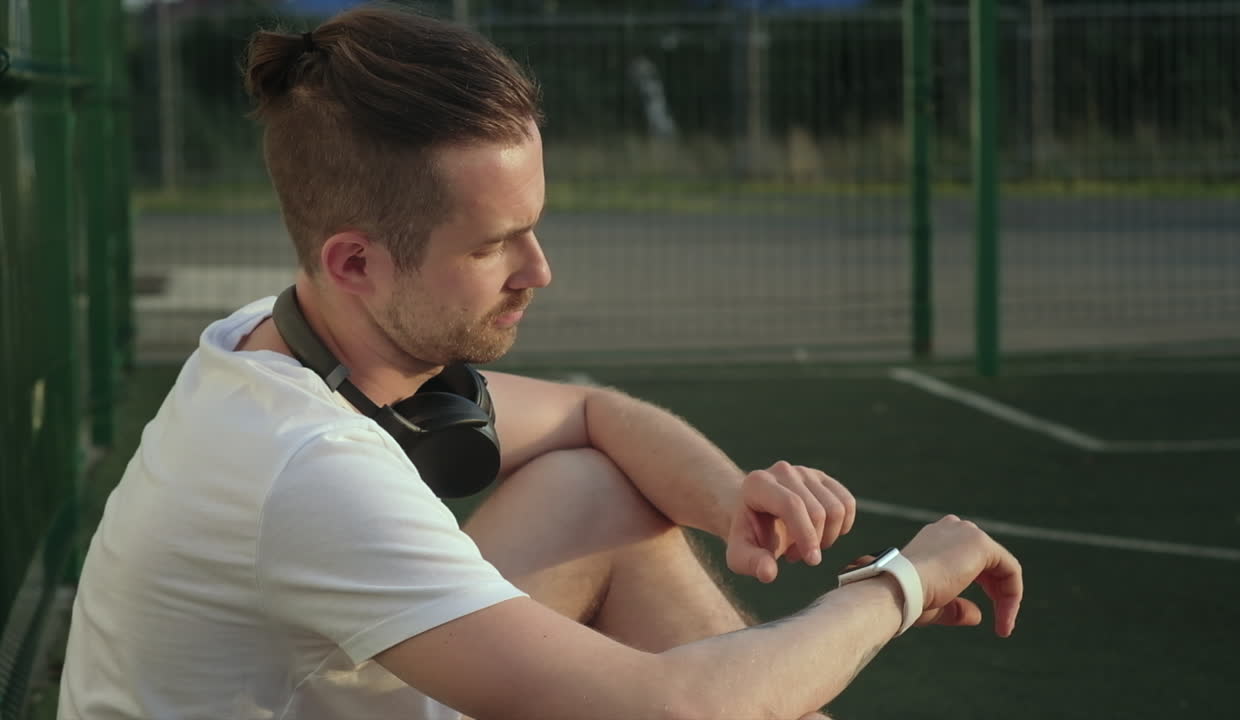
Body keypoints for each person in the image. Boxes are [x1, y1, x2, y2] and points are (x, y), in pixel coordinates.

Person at [57, 4, 1023, 719]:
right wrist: (902, 582)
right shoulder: (304, 466)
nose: (539, 271)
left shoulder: (278, 344)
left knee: (595, 491)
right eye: (493, 246)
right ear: (354, 260)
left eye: (535, 228)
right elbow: (667, 707)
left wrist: (732, 502)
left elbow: (592, 415)